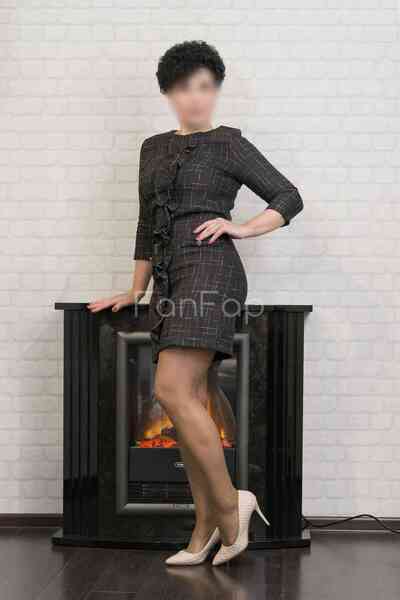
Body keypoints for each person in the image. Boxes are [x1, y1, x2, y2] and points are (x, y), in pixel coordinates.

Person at [88, 40, 304, 566]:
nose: (196, 97)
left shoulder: (229, 143)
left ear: (217, 90)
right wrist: (136, 289)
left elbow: (288, 197)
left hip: (211, 270)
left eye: (206, 86)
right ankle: (205, 524)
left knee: (170, 389)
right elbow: (147, 224)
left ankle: (232, 505)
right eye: (185, 87)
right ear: (169, 92)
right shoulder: (152, 148)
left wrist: (241, 227)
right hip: (168, 279)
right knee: (188, 400)